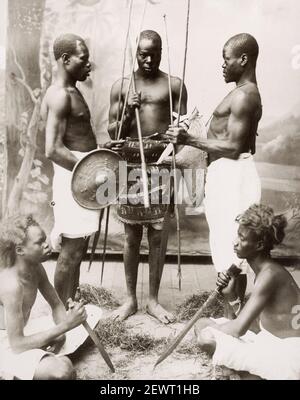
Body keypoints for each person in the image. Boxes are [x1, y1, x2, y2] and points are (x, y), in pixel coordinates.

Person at [167, 33, 262, 310]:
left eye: (226, 59)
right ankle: (235, 315)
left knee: (230, 251)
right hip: (227, 174)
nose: (222, 65)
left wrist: (188, 140)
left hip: (233, 176)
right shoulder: (241, 92)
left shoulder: (245, 96)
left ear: (243, 59)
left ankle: (232, 325)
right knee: (232, 250)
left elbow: (232, 146)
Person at [108, 30, 187, 323]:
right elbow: (111, 132)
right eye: (143, 53)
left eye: (154, 53)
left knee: (157, 235)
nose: (149, 59)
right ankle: (130, 299)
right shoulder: (121, 86)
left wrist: (174, 139)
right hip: (129, 164)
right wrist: (129, 111)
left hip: (161, 164)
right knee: (131, 235)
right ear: (135, 53)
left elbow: (183, 129)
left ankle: (153, 300)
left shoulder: (174, 85)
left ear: (162, 52)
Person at [194, 204, 300, 380]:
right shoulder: (266, 271)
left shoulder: (270, 275)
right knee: (202, 324)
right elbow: (252, 325)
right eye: (238, 235)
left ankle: (241, 374)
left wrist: (217, 332)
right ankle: (237, 373)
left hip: (289, 355)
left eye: (242, 238)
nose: (235, 241)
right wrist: (231, 296)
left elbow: (237, 329)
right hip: (270, 341)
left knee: (206, 337)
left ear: (258, 245)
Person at [41, 33, 99, 306]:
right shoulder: (59, 96)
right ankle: (60, 315)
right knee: (71, 250)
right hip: (73, 179)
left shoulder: (73, 91)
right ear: (65, 60)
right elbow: (52, 148)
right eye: (83, 59)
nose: (89, 65)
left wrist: (100, 156)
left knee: (79, 247)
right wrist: (90, 169)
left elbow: (77, 139)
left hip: (84, 177)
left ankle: (71, 305)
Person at [0, 215, 91, 380]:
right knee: (63, 371)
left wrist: (65, 326)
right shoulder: (11, 285)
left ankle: (37, 362)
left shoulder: (35, 267)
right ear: (20, 250)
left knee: (90, 313)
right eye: (39, 242)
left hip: (22, 331)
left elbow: (56, 305)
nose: (47, 244)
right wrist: (65, 326)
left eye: (45, 239)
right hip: (7, 343)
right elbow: (17, 344)